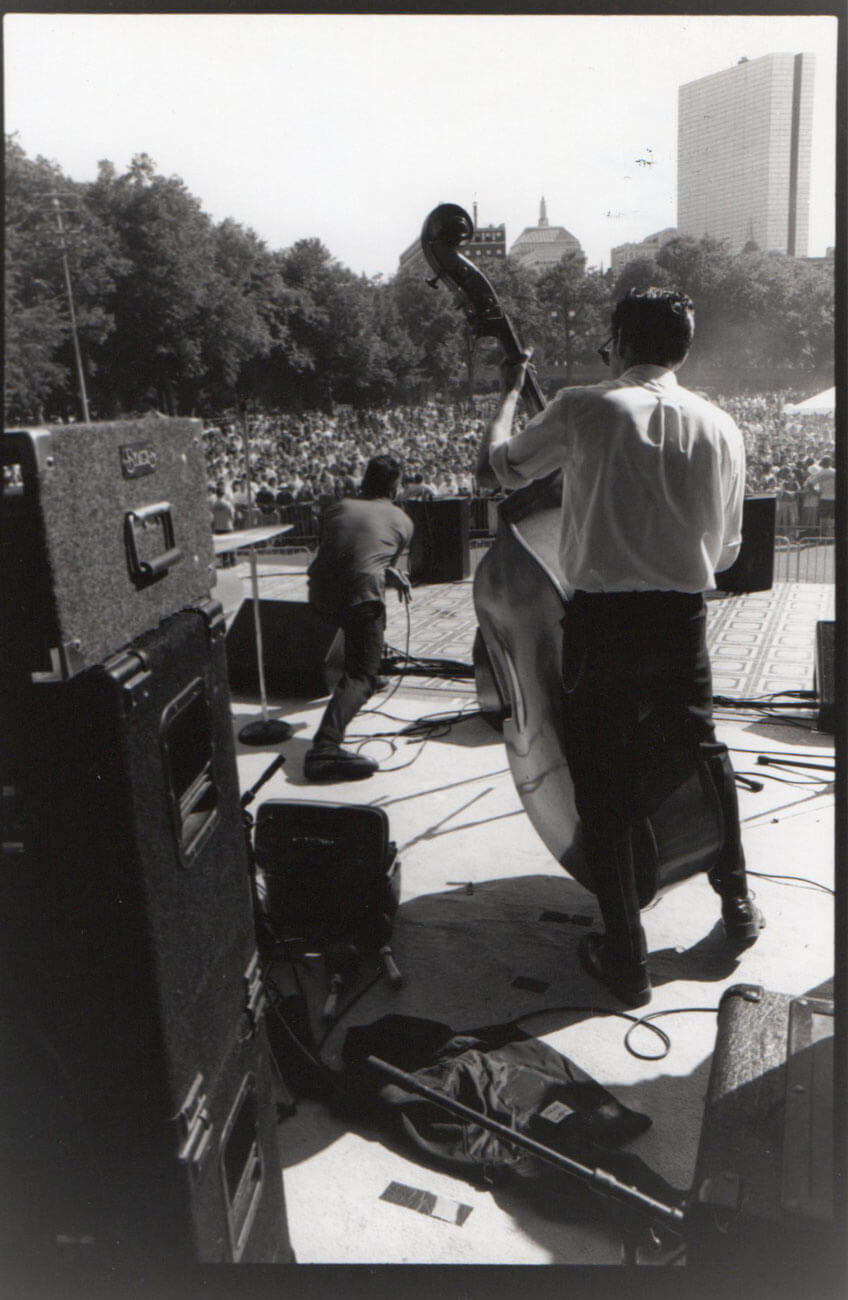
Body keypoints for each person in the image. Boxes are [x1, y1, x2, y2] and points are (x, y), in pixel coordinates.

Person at [475, 287, 764, 1007]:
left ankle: (626, 958)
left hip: (603, 623)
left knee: (600, 780)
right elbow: (726, 554)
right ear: (684, 348)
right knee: (702, 750)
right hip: (680, 622)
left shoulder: (585, 406)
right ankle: (738, 904)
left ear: (620, 341)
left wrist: (510, 393)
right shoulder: (723, 425)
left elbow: (499, 469)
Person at [303, 453, 413, 781]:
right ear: (395, 487)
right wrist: (389, 574)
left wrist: (383, 573)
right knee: (360, 674)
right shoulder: (403, 520)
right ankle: (325, 746)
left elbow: (344, 551)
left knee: (363, 616)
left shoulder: (335, 507)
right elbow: (376, 564)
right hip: (359, 598)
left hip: (318, 596)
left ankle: (371, 665)